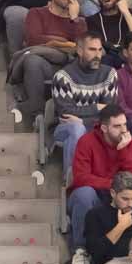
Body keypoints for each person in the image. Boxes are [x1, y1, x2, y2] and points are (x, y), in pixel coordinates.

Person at [68, 104, 132, 254]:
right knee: (84, 194)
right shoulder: (86, 142)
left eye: (125, 124)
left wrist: (124, 151)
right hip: (96, 193)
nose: (124, 130)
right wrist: (113, 185)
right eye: (117, 126)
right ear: (104, 128)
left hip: (122, 196)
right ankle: (80, 249)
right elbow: (81, 177)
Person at [51, 32, 117, 176]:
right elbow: (65, 112)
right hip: (65, 129)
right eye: (92, 50)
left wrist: (83, 119)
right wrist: (96, 108)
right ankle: (74, 177)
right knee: (76, 128)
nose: (97, 55)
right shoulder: (63, 77)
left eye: (100, 50)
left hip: (97, 126)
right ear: (79, 51)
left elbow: (110, 112)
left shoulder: (109, 74)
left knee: (116, 125)